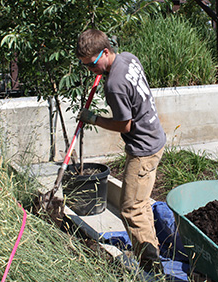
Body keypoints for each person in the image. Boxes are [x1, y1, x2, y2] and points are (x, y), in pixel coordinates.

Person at [76, 29, 166, 273]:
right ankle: (152, 249)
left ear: (105, 52)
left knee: (129, 209)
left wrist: (93, 118)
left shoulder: (114, 84)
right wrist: (103, 71)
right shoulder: (128, 57)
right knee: (141, 203)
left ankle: (151, 268)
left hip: (143, 149)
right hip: (155, 136)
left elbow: (124, 125)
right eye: (85, 67)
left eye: (92, 65)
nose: (90, 71)